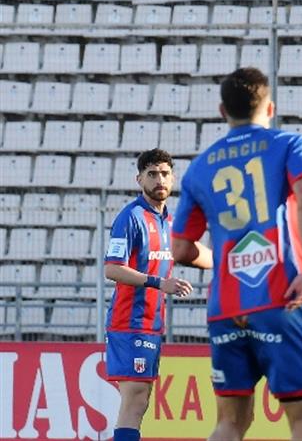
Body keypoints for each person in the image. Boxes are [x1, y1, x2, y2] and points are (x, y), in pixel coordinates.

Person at [171, 67, 302, 441]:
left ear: (222, 111)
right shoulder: (292, 145)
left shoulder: (199, 168)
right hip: (280, 299)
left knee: (230, 423)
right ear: (270, 108)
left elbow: (180, 249)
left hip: (225, 307)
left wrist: (224, 261)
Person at [104, 149, 194, 441]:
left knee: (140, 401)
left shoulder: (169, 222)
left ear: (173, 178)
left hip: (152, 325)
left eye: (165, 174)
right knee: (135, 399)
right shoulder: (131, 217)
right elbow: (112, 269)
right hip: (129, 323)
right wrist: (159, 282)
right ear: (139, 179)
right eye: (152, 174)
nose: (159, 180)